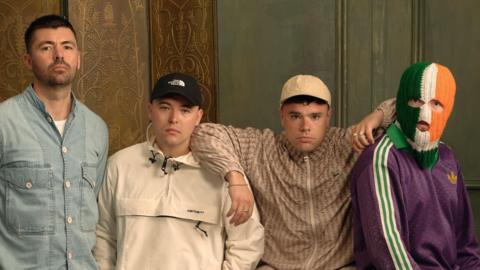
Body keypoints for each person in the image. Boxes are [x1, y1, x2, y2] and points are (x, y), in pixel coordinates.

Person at [190, 74, 395, 269]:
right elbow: (204, 134)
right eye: (295, 116)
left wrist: (376, 116)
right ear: (282, 116)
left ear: (328, 116)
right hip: (276, 266)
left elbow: (408, 106)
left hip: (339, 265)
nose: (305, 126)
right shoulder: (261, 148)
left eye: (315, 117)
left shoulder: (350, 143)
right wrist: (234, 177)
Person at [94, 72, 264, 270]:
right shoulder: (119, 166)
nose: (174, 118)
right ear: (150, 110)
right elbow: (103, 238)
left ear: (198, 116)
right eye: (165, 107)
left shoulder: (228, 176)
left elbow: (247, 244)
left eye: (185, 110)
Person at [0, 14, 109, 269]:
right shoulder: (4, 122)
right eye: (46, 47)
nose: (59, 55)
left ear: (78, 58)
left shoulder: (97, 129)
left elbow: (98, 215)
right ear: (28, 60)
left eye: (67, 47)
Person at [350, 62, 480, 269]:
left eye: (436, 103)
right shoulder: (381, 159)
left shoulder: (447, 157)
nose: (425, 114)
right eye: (416, 101)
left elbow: (466, 242)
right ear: (401, 102)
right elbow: (386, 250)